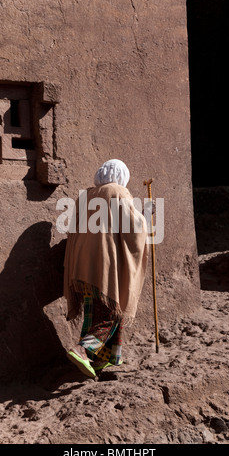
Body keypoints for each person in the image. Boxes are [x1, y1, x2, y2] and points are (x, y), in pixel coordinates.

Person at [63, 159, 149, 378]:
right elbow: (133, 226)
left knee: (97, 310)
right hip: (104, 263)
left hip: (82, 265)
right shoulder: (117, 192)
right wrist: (146, 218)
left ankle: (102, 358)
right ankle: (83, 350)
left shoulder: (86, 195)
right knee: (110, 313)